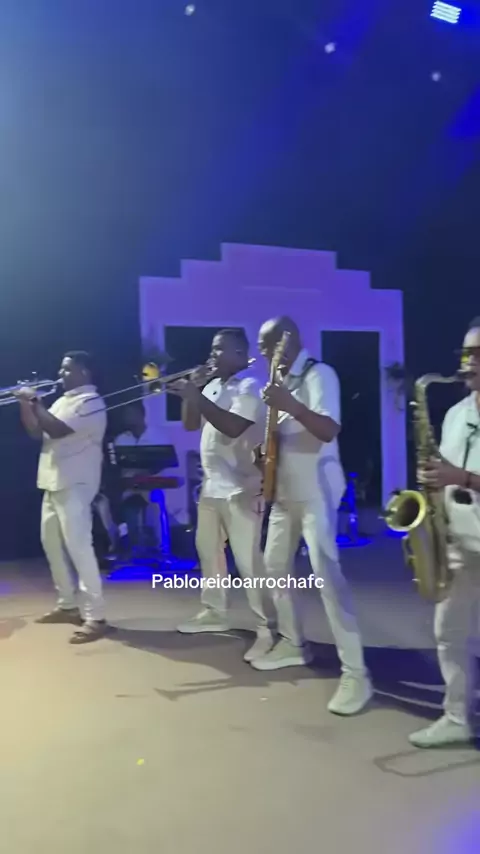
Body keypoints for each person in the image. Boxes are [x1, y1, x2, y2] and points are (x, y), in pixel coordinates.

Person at [251, 316, 372, 717]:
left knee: (327, 576)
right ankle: (293, 643)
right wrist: (264, 455)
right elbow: (281, 437)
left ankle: (356, 672)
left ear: (289, 341)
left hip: (317, 492)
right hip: (285, 493)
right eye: (261, 346)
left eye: (269, 344)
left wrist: (289, 404)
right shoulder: (278, 383)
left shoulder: (320, 375)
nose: (264, 353)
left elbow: (327, 429)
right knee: (274, 567)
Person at [171, 328, 273, 662]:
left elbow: (233, 427)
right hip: (212, 485)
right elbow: (190, 425)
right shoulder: (214, 385)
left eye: (219, 350)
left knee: (248, 561)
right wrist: (192, 393)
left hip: (244, 486)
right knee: (208, 551)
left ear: (239, 353)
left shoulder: (251, 385)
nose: (212, 355)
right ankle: (215, 611)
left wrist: (197, 395)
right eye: (213, 349)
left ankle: (268, 628)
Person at [409, 317, 480, 748]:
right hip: (459, 541)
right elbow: (448, 472)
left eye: (478, 354)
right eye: (466, 353)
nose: (468, 362)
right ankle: (457, 716)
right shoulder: (456, 414)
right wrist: (434, 481)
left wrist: (463, 477)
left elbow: (462, 475)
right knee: (449, 631)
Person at [16, 351, 108, 644]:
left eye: (67, 369)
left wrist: (34, 401)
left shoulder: (91, 402)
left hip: (76, 483)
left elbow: (57, 430)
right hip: (53, 481)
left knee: (79, 548)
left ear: (84, 372)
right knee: (52, 546)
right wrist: (25, 405)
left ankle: (96, 616)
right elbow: (36, 431)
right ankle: (67, 604)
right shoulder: (62, 401)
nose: (60, 373)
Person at [114, 400, 169, 549]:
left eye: (131, 414)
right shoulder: (121, 439)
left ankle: (162, 548)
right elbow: (118, 466)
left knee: (157, 505)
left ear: (141, 415)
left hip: (153, 484)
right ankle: (131, 547)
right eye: (126, 415)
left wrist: (146, 474)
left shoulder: (157, 436)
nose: (128, 418)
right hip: (130, 486)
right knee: (126, 508)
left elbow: (165, 462)